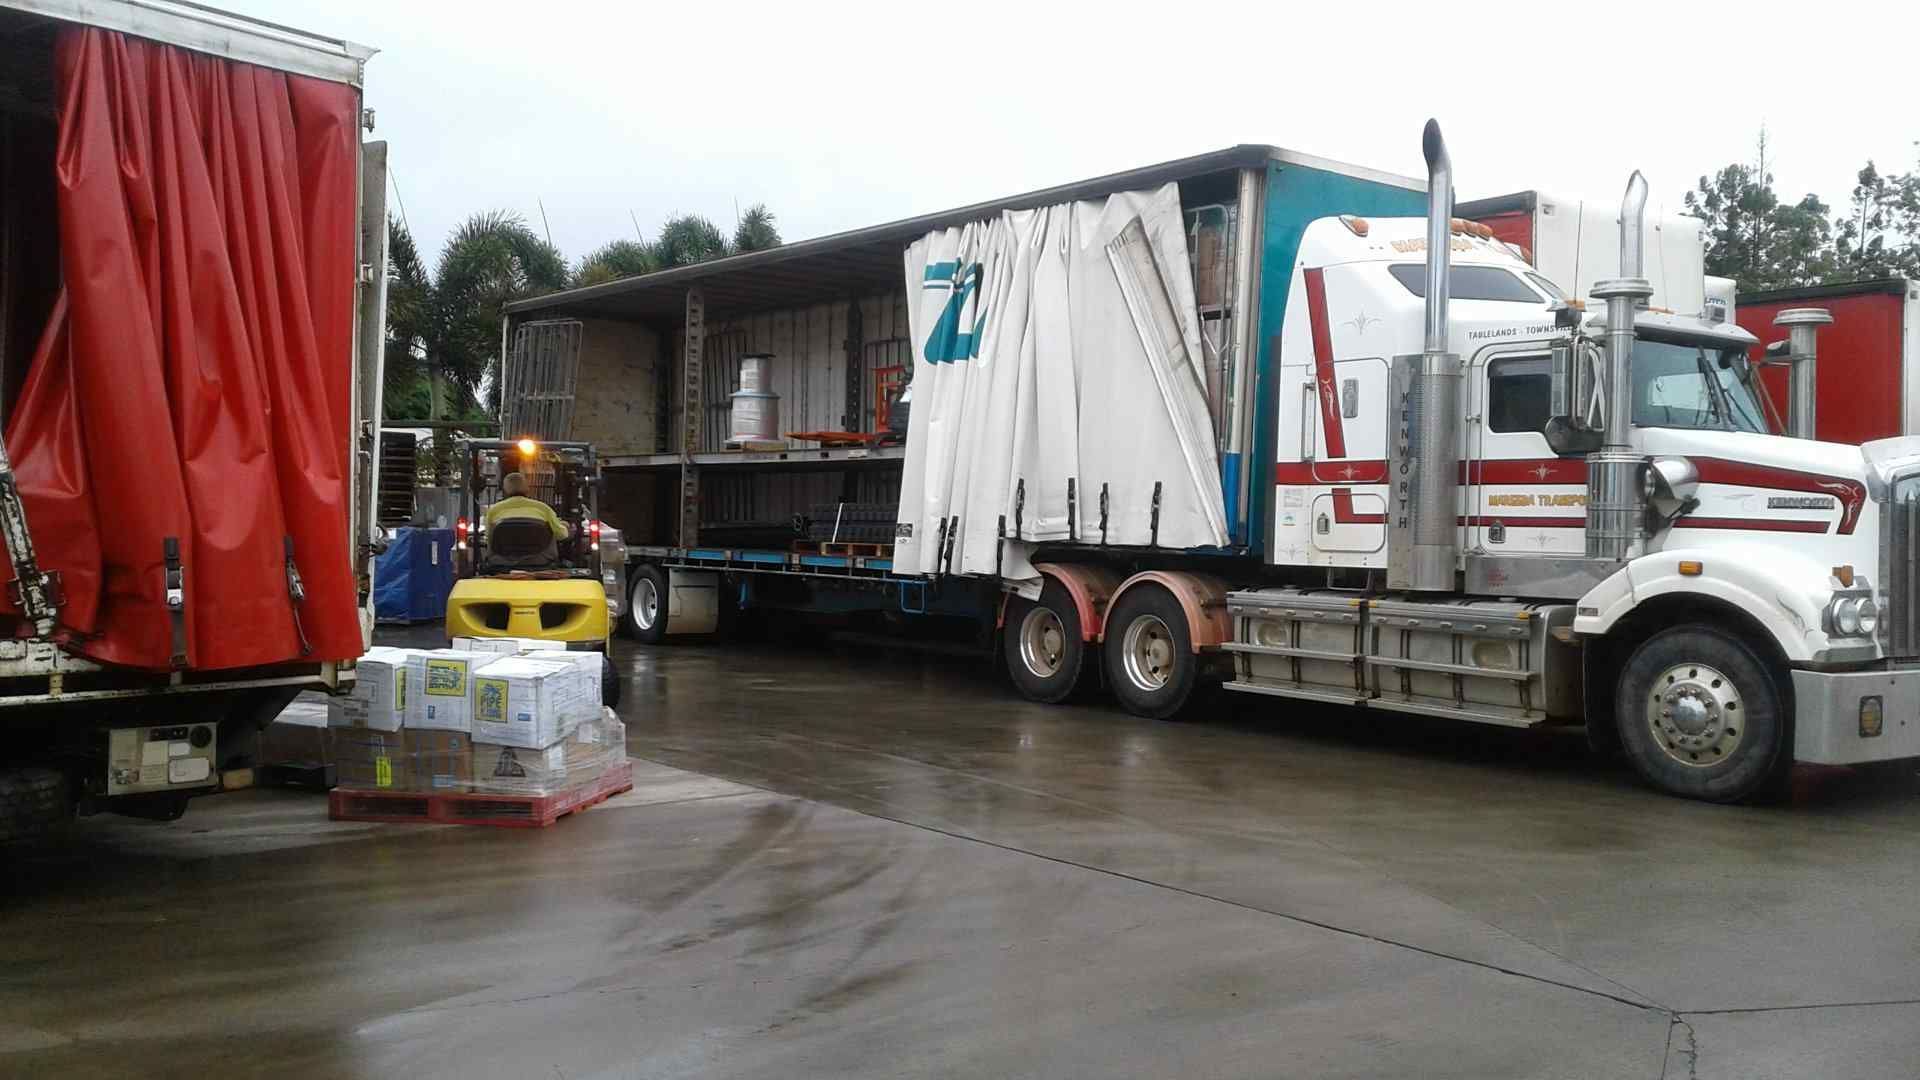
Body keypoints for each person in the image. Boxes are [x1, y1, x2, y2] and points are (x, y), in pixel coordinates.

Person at [483, 472, 569, 564]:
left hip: (502, 560)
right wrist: (563, 526)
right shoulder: (543, 508)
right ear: (527, 488)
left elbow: (488, 536)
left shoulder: (493, 510)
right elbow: (562, 535)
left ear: (505, 489)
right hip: (539, 560)